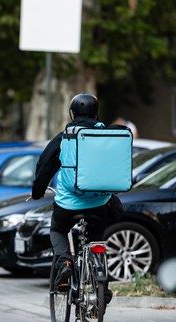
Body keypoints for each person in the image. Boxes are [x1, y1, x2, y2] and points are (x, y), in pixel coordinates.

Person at [31, 93, 124, 300]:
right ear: (96, 114)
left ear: (72, 114)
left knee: (57, 229)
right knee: (96, 240)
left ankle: (64, 262)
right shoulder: (107, 136)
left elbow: (45, 167)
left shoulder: (64, 137)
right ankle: (102, 289)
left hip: (67, 205)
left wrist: (37, 192)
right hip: (99, 204)